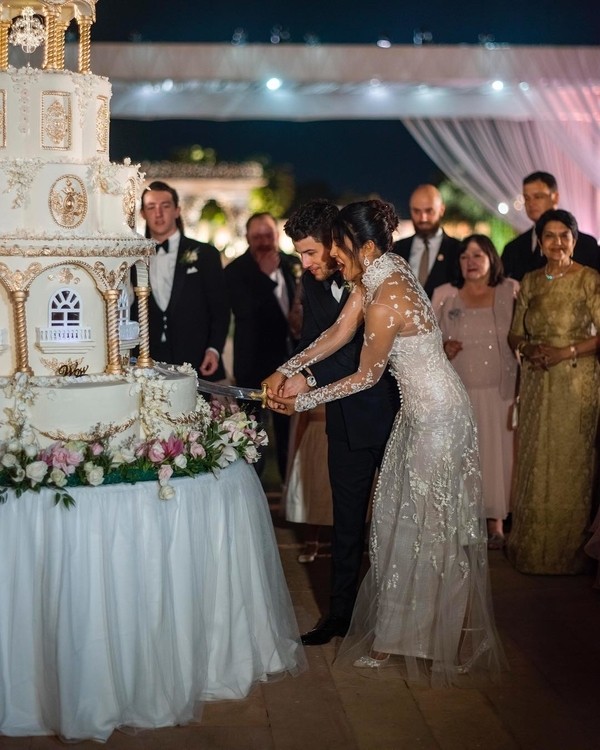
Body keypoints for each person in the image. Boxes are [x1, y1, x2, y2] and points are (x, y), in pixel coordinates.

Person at [268, 199, 504, 685]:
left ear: (366, 245)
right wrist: (285, 369)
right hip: (418, 412)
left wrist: (305, 401)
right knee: (401, 523)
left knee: (432, 528)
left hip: (438, 414)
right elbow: (336, 331)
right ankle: (400, 635)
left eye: (338, 245)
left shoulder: (387, 294)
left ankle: (445, 639)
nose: (332, 254)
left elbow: (365, 376)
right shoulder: (376, 272)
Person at [264, 199, 398, 645]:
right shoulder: (313, 279)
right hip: (343, 419)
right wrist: (288, 376)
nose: (304, 263)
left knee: (398, 521)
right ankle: (339, 615)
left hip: (392, 412)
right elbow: (316, 339)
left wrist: (305, 379)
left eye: (310, 253)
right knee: (345, 522)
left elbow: (358, 350)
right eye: (300, 255)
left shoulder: (378, 279)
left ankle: (393, 616)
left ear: (338, 244)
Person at [507, 209, 600, 575]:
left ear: (575, 240)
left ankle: (568, 556)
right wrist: (529, 349)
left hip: (576, 378)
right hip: (537, 377)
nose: (557, 242)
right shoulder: (530, 280)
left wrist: (565, 352)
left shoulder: (589, 279)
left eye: (565, 235)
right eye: (550, 235)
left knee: (569, 461)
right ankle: (532, 551)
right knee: (534, 458)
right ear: (540, 241)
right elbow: (515, 332)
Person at [432, 235, 519, 550]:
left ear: (491, 258)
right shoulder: (445, 295)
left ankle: (496, 523)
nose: (471, 261)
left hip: (501, 390)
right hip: (460, 390)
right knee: (466, 455)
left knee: (498, 454)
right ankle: (464, 520)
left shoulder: (510, 291)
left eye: (478, 254)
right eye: (465, 255)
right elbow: (426, 340)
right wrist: (443, 346)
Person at [225, 212, 301, 480]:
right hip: (252, 366)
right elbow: (244, 312)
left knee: (288, 435)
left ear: (277, 235)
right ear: (247, 238)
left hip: (290, 363)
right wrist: (265, 277)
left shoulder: (294, 264)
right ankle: (251, 490)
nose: (264, 241)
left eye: (268, 235)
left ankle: (289, 493)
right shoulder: (235, 271)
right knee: (250, 435)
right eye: (257, 236)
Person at [137, 180, 230, 380]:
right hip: (148, 363)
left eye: (165, 206)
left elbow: (220, 308)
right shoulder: (133, 259)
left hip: (196, 360)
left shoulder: (205, 254)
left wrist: (214, 349)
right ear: (143, 214)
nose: (158, 213)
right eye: (151, 207)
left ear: (177, 210)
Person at [502, 171, 600, 281]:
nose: (531, 203)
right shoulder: (512, 249)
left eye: (538, 196)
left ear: (555, 197)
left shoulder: (586, 245)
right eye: (527, 198)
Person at [392, 184, 461, 298]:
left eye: (429, 211)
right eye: (416, 211)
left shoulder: (458, 250)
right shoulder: (396, 249)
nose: (423, 218)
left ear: (442, 210)